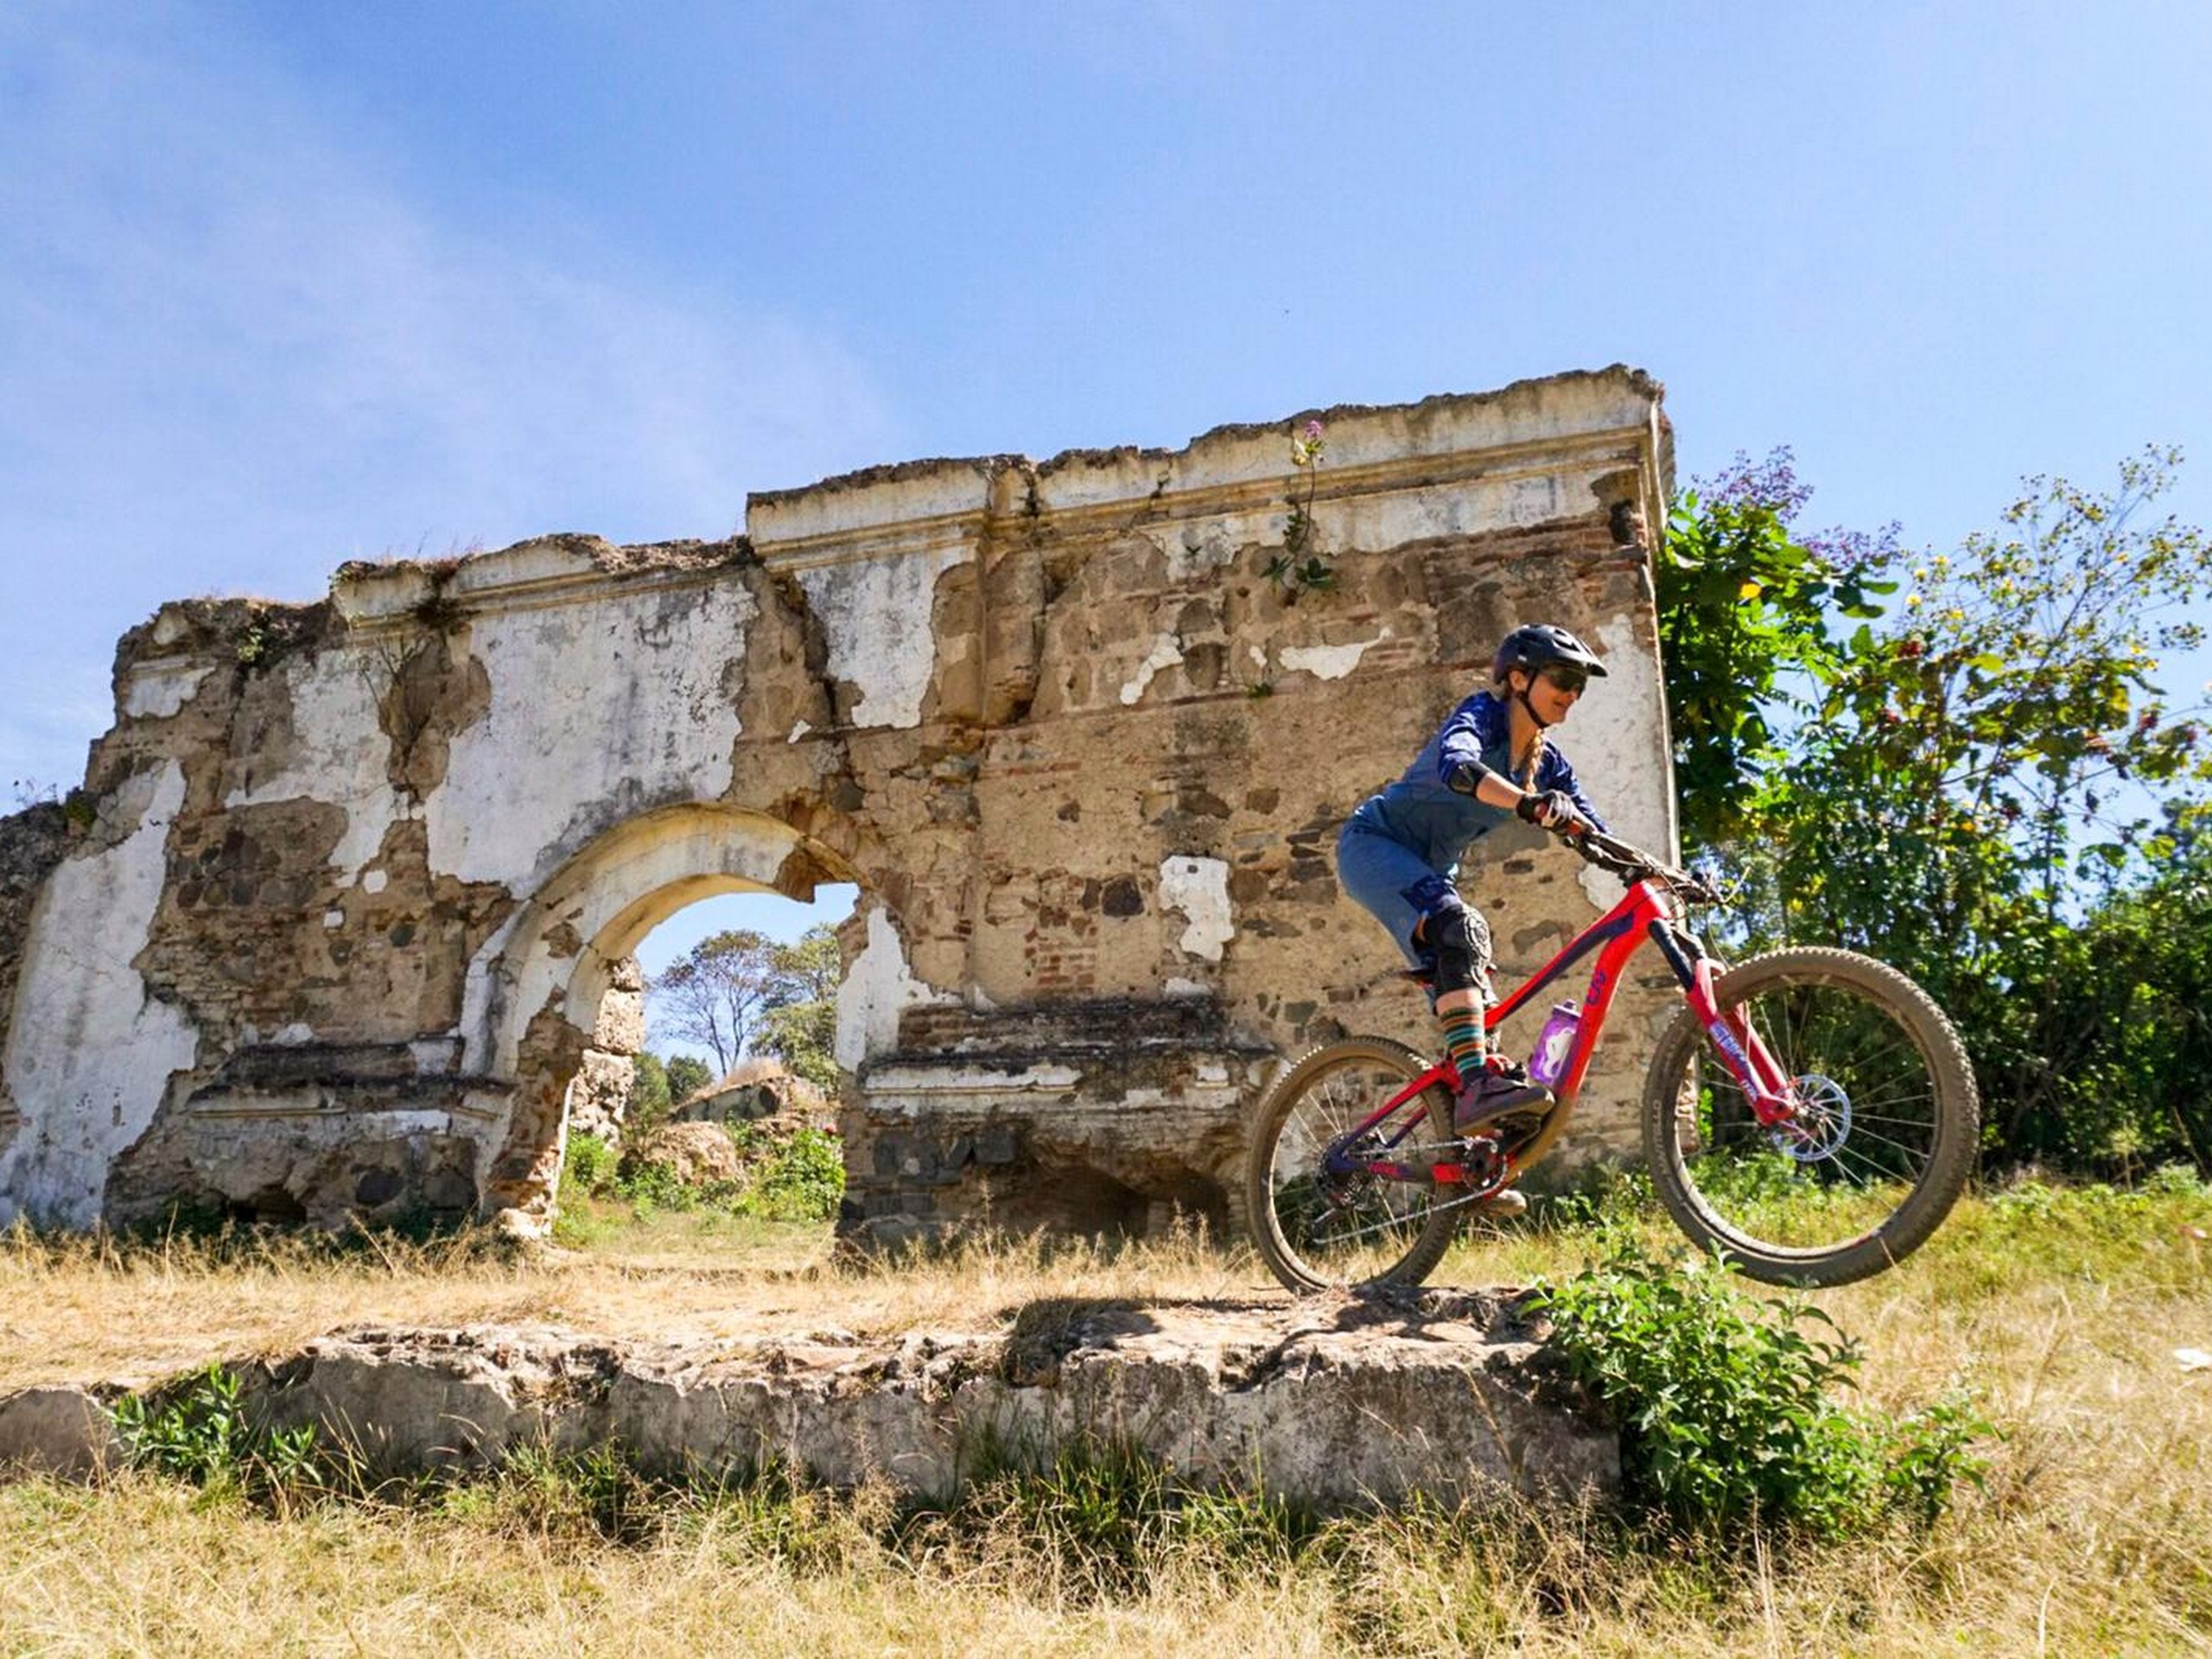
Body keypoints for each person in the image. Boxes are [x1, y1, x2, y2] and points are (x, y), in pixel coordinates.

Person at [1336, 622, 1608, 1138]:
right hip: (1376, 845)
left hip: (1432, 873)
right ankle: (1478, 1086)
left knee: (1480, 1002)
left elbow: (1594, 831)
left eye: (1581, 685)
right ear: (1521, 679)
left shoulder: (1546, 763)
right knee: (1459, 926)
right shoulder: (1481, 715)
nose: (1572, 694)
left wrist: (1656, 874)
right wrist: (1526, 803)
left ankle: (1472, 1165)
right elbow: (1456, 767)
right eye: (1563, 679)